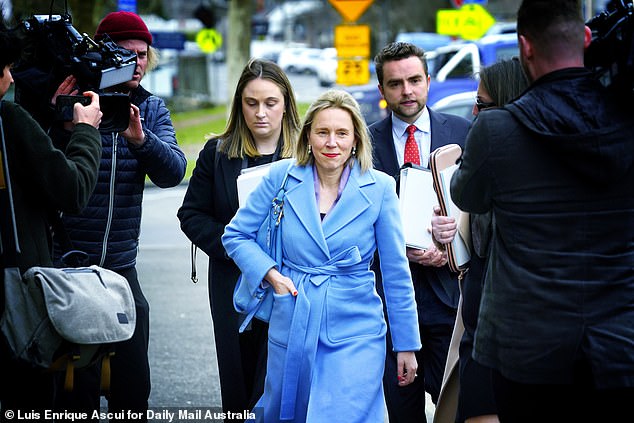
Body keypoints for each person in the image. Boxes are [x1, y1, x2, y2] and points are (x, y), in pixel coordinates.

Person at [450, 1, 634, 422]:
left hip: (526, 353)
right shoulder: (626, 118)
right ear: (586, 40)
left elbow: (467, 197)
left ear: (524, 47)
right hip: (619, 346)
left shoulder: (497, 130)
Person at [222, 89, 421, 422]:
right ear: (308, 136)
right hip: (295, 317)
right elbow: (235, 235)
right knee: (291, 412)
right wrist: (272, 275)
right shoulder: (281, 177)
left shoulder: (381, 187)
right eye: (323, 132)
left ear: (356, 138)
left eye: (342, 133)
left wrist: (407, 345)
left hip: (357, 328)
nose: (332, 142)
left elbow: (397, 272)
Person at [47, 11, 186, 420]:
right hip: (69, 266)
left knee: (134, 389)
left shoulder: (151, 108)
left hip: (122, 267)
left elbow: (174, 171)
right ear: (105, 55)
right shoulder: (73, 102)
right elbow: (41, 169)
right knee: (76, 392)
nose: (139, 63)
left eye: (144, 55)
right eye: (128, 54)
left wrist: (141, 140)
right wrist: (63, 124)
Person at [177, 58, 301, 417]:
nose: (260, 113)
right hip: (234, 284)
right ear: (239, 105)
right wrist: (238, 246)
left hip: (291, 282)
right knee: (240, 384)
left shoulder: (306, 157)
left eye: (270, 103)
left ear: (286, 105)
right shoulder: (217, 154)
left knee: (283, 384)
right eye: (251, 103)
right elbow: (191, 215)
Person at [0, 27, 102, 418]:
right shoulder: (7, 119)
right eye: (5, 67)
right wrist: (85, 132)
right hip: (13, 301)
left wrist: (47, 119)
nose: (11, 77)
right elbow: (72, 189)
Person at [368, 41, 471, 422]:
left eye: (414, 80)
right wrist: (396, 248)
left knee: (457, 409)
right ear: (381, 91)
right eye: (395, 84)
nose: (406, 91)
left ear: (428, 81)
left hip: (449, 298)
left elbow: (481, 207)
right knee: (401, 413)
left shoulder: (462, 131)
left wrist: (456, 230)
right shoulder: (363, 143)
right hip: (391, 304)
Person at [432, 58, 528, 423]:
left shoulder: (528, 168)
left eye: (484, 105)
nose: (473, 112)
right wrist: (448, 230)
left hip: (506, 334)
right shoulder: (485, 156)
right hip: (476, 326)